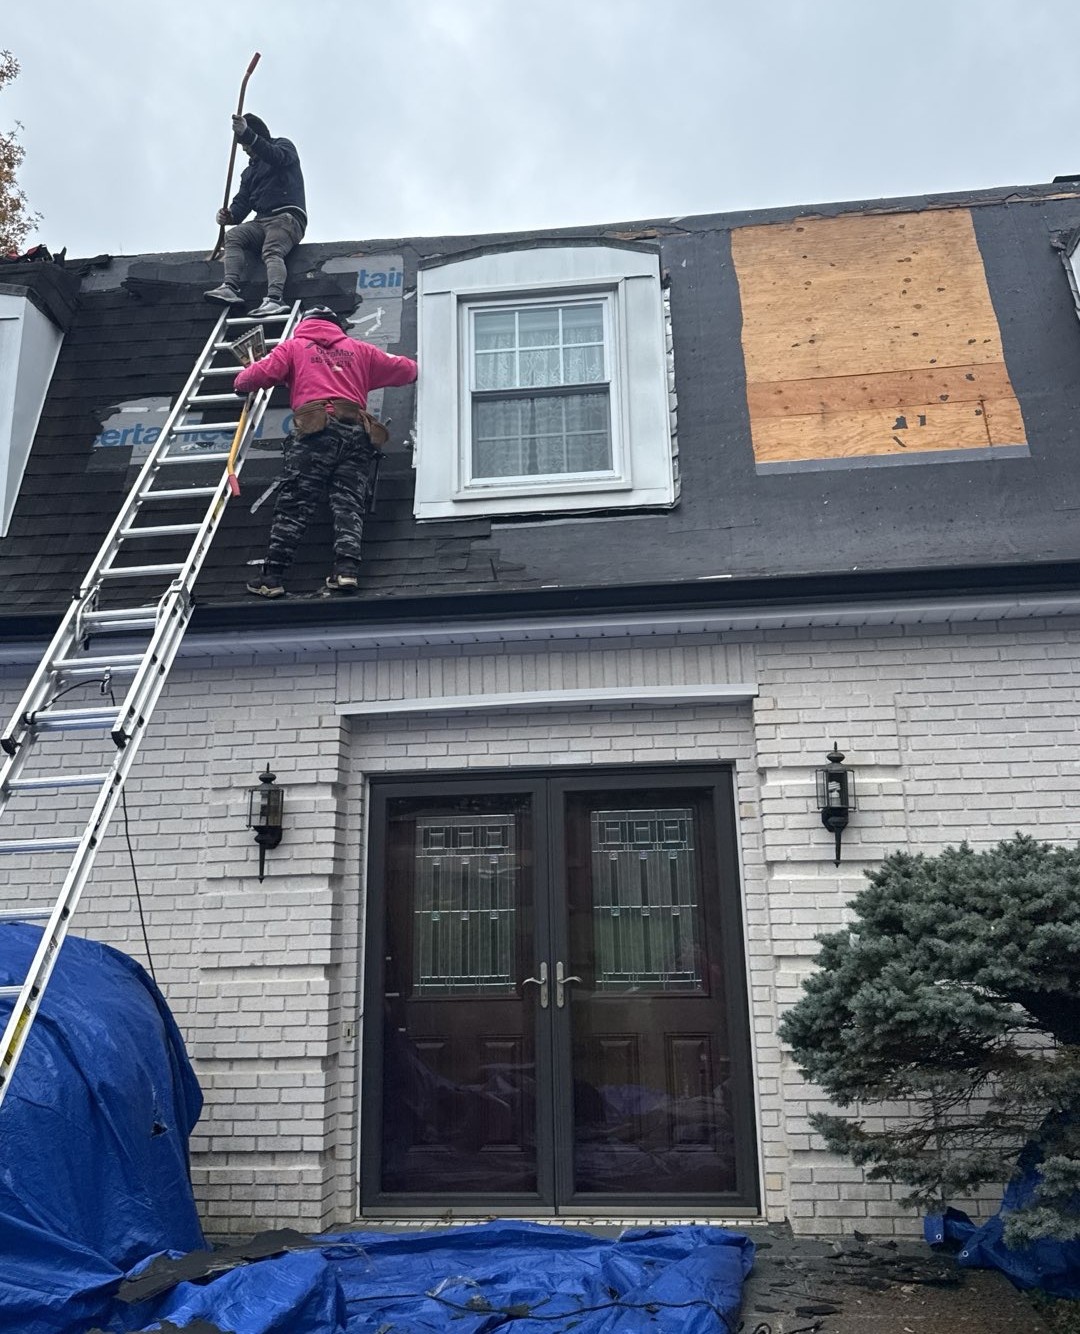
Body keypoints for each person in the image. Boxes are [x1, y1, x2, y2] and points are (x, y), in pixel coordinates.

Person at [234, 305, 418, 597]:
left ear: (305, 325)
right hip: (357, 433)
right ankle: (346, 571)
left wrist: (242, 379)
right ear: (337, 327)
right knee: (349, 502)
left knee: (296, 502)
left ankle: (272, 577)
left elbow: (253, 378)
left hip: (315, 431)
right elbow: (408, 369)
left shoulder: (293, 347)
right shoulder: (361, 350)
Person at [204, 114, 306, 319]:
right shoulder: (250, 172)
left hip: (286, 218)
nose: (246, 150)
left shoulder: (283, 146)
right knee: (233, 237)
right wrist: (229, 216)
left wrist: (248, 135)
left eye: (246, 145)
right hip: (261, 221)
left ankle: (275, 299)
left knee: (272, 251)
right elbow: (242, 203)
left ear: (256, 135)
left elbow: (275, 156)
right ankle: (230, 286)